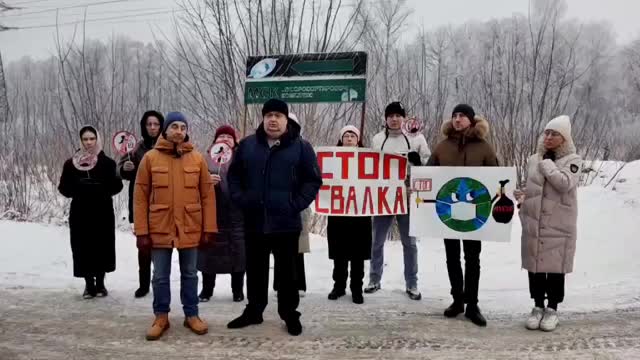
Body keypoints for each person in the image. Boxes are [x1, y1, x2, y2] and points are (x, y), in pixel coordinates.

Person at [226, 99, 322, 336]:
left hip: (286, 223)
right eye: (268, 114)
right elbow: (234, 177)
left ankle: (289, 314)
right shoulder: (248, 146)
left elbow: (312, 180)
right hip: (255, 221)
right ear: (263, 118)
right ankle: (254, 310)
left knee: (288, 274)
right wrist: (242, 199)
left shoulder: (301, 147)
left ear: (286, 119)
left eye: (278, 115)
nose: (273, 119)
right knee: (255, 270)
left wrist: (296, 204)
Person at [133, 112, 217, 341]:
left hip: (190, 226)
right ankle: (161, 316)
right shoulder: (150, 158)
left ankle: (192, 315)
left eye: (183, 127)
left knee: (190, 274)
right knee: (160, 276)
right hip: (159, 227)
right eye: (174, 127)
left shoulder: (197, 159)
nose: (179, 131)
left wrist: (209, 229)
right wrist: (141, 232)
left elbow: (207, 196)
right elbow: (140, 197)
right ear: (165, 130)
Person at [427, 104, 499, 327]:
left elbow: (495, 178)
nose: (458, 119)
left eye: (462, 116)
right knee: (451, 257)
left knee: (472, 258)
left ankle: (472, 304)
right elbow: (429, 175)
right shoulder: (442, 147)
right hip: (448, 212)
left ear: (471, 120)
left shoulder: (484, 147)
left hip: (474, 214)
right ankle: (457, 299)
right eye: (455, 116)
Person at [515, 115, 581, 332]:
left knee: (554, 268)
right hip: (535, 221)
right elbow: (533, 187)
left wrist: (547, 165)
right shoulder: (534, 159)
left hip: (558, 224)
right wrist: (522, 196)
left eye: (555, 134)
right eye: (547, 133)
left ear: (564, 138)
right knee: (535, 267)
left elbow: (564, 184)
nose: (549, 137)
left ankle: (552, 309)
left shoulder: (573, 160)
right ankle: (537, 306)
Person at [366, 101, 430, 300]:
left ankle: (412, 283)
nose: (394, 119)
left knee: (409, 242)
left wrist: (418, 162)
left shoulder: (417, 138)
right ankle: (374, 279)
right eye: (391, 115)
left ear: (404, 118)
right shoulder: (377, 139)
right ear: (386, 119)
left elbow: (430, 164)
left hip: (408, 192)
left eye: (398, 115)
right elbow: (369, 164)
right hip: (384, 193)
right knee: (377, 240)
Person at [58, 125, 123, 299]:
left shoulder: (108, 163)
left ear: (97, 139)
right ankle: (88, 285)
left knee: (102, 246)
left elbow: (118, 186)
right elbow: (63, 188)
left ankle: (101, 284)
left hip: (102, 212)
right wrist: (78, 187)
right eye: (85, 139)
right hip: (80, 213)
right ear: (81, 141)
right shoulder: (71, 164)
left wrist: (101, 187)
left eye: (92, 139)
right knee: (83, 247)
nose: (88, 142)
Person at [117, 110, 164, 298]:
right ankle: (143, 284)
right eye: (148, 124)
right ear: (144, 127)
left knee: (160, 246)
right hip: (140, 203)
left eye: (156, 124)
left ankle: (159, 281)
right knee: (143, 246)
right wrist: (125, 169)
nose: (152, 128)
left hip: (162, 203)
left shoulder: (167, 147)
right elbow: (121, 172)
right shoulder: (136, 149)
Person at [197, 125, 246, 303]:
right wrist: (206, 182)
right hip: (212, 216)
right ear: (215, 140)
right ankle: (207, 290)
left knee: (238, 256)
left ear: (235, 141)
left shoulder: (242, 158)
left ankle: (237, 290)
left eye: (229, 137)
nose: (225, 139)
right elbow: (193, 184)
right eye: (222, 136)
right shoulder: (204, 159)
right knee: (208, 255)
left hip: (236, 216)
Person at [326, 125, 372, 304]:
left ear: (358, 139)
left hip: (360, 213)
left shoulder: (368, 159)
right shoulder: (331, 158)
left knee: (358, 254)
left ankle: (356, 288)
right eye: (346, 135)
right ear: (341, 139)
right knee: (339, 253)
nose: (350, 138)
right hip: (338, 212)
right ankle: (338, 286)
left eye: (353, 135)